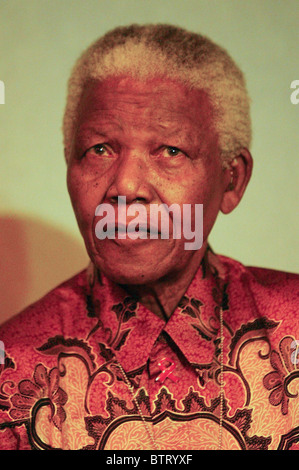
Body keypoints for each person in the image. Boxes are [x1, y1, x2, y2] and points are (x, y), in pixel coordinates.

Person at [0, 24, 298, 451]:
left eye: (171, 151)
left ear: (232, 181)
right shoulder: (12, 372)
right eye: (99, 149)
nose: (125, 186)